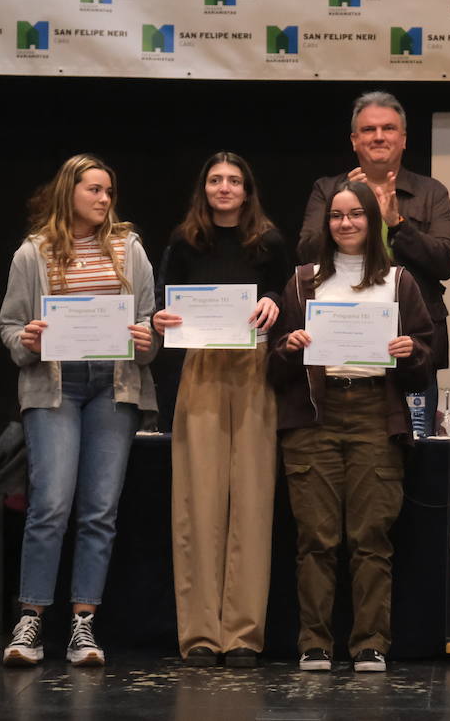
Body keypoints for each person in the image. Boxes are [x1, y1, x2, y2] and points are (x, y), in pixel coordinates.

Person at [0, 154, 158, 667]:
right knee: (50, 505)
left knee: (100, 510)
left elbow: (149, 322)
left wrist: (146, 338)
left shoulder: (129, 249)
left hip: (113, 385)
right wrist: (25, 340)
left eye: (109, 191)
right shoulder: (34, 252)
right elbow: (9, 325)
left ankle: (83, 624)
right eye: (94, 189)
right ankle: (30, 620)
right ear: (69, 192)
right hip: (55, 386)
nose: (104, 199)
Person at [269, 179, 434, 674]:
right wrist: (288, 347)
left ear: (372, 220)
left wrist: (411, 351)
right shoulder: (303, 281)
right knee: (315, 539)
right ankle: (314, 643)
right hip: (313, 418)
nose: (346, 223)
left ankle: (370, 643)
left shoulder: (399, 281)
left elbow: (425, 360)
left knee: (371, 538)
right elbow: (274, 368)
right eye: (337, 216)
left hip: (374, 414)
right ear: (327, 224)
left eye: (356, 214)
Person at [151, 152, 291, 667]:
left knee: (252, 500)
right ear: (204, 188)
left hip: (255, 366)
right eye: (216, 180)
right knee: (198, 501)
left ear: (247, 191)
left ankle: (243, 634)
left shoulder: (270, 241)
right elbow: (163, 304)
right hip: (202, 364)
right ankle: (200, 635)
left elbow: (286, 297)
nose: (225, 187)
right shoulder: (184, 240)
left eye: (234, 180)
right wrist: (161, 318)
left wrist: (275, 301)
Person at [297, 91, 450, 418]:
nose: (379, 136)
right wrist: (343, 206)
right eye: (369, 130)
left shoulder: (431, 192)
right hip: (341, 336)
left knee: (414, 443)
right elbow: (305, 253)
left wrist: (397, 224)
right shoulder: (327, 190)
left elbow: (447, 260)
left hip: (408, 340)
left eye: (388, 128)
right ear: (354, 140)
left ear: (403, 139)